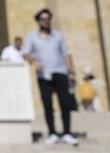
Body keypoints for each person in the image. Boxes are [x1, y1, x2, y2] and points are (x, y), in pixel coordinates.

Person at [22, 9, 78, 145]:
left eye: (48, 18)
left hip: (60, 71)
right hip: (43, 75)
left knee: (64, 103)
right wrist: (34, 62)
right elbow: (25, 53)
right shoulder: (32, 37)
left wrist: (71, 72)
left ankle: (67, 133)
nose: (45, 21)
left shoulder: (58, 36)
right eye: (43, 19)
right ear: (38, 21)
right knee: (47, 105)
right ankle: (52, 133)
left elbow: (66, 54)